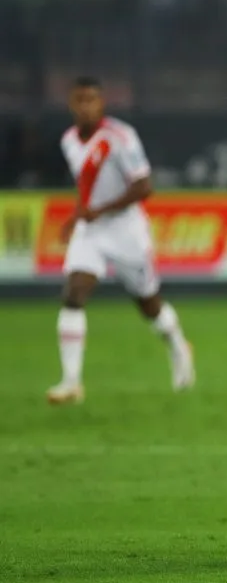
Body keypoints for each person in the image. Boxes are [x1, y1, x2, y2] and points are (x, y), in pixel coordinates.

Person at [48, 77, 194, 404]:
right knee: (74, 293)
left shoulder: (120, 137)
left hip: (126, 231)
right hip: (92, 231)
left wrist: (100, 210)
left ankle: (178, 346)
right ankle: (71, 382)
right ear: (71, 104)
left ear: (101, 104)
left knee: (149, 304)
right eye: (79, 100)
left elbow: (144, 186)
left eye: (91, 100)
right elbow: (87, 188)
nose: (85, 106)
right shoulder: (69, 140)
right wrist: (76, 217)